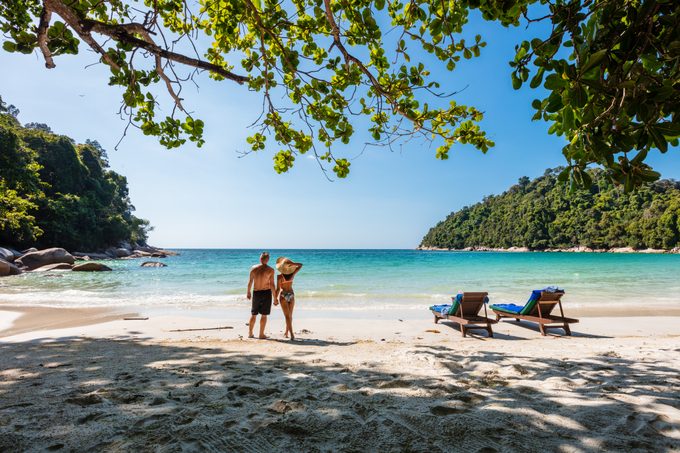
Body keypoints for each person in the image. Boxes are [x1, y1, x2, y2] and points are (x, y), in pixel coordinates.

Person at [246, 252, 276, 339]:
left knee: (253, 314)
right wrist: (275, 298)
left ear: (260, 259)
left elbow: (250, 282)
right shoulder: (270, 270)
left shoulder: (253, 268)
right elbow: (272, 285)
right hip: (266, 293)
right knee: (264, 315)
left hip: (256, 293)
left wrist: (248, 292)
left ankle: (250, 333)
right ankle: (261, 334)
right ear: (268, 260)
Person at [275, 257, 303, 340]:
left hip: (283, 295)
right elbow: (301, 265)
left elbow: (277, 289)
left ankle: (291, 334)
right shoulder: (292, 274)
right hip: (291, 294)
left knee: (287, 316)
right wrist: (293, 264)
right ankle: (287, 332)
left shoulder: (279, 277)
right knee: (290, 316)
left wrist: (275, 299)